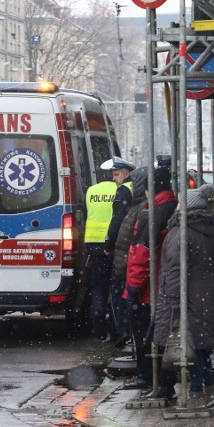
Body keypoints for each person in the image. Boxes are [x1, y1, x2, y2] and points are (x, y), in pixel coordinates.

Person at [154, 183, 214, 409]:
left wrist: (173, 298)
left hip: (187, 296)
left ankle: (198, 391)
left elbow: (174, 269)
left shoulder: (181, 233)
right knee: (198, 344)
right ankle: (209, 389)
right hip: (202, 293)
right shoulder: (203, 231)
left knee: (190, 345)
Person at [121, 167, 177, 398]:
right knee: (164, 332)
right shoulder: (171, 206)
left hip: (151, 286)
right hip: (165, 281)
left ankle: (150, 377)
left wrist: (132, 287)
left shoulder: (152, 212)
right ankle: (160, 379)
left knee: (147, 332)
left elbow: (140, 252)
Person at [109, 165, 148, 348]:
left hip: (128, 265)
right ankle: (125, 333)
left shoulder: (139, 209)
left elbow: (135, 242)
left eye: (117, 174)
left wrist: (124, 262)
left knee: (123, 301)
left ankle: (124, 333)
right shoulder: (136, 206)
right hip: (126, 263)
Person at [84, 160, 121, 341]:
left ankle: (97, 326)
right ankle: (115, 330)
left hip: (93, 245)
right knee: (115, 287)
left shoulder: (91, 190)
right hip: (112, 244)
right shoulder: (119, 191)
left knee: (98, 287)